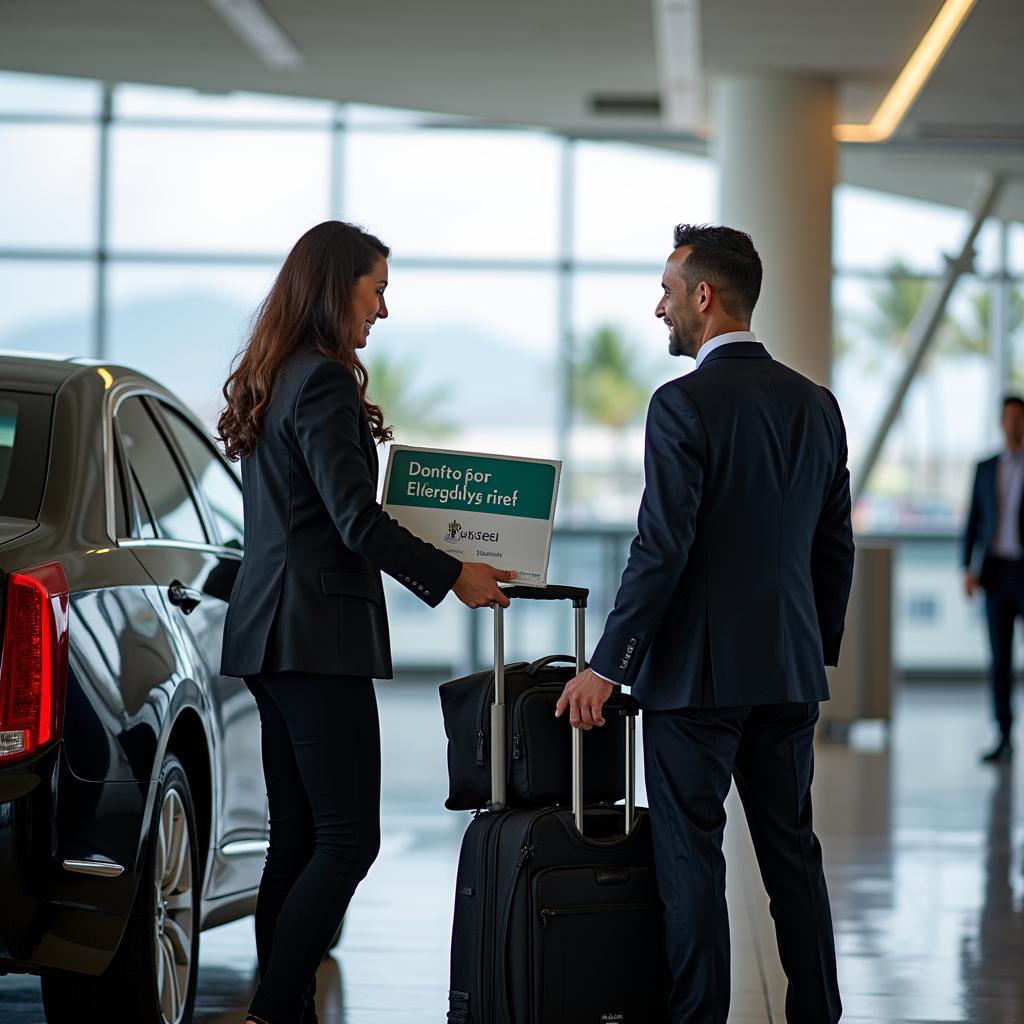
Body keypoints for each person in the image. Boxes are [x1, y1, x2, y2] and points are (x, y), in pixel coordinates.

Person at [217, 220, 515, 1024]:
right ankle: (276, 1005)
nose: (384, 307)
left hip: (270, 635)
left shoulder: (275, 376)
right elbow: (355, 521)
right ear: (334, 286)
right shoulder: (320, 382)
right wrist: (455, 573)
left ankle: (281, 1007)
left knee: (300, 839)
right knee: (349, 842)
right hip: (315, 637)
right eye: (376, 287)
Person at [556, 224, 854, 1024]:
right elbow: (835, 549)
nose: (658, 308)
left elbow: (662, 549)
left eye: (665, 290)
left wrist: (607, 664)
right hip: (786, 677)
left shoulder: (681, 404)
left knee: (691, 864)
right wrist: (807, 650)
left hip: (695, 682)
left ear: (703, 296)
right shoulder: (816, 406)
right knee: (794, 860)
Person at [962, 394, 1024, 764]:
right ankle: (1003, 735)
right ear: (1000, 422)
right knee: (1000, 659)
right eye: (1009, 418)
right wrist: (968, 569)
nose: (1013, 425)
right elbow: (973, 520)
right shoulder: (986, 467)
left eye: (1019, 418)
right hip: (997, 574)